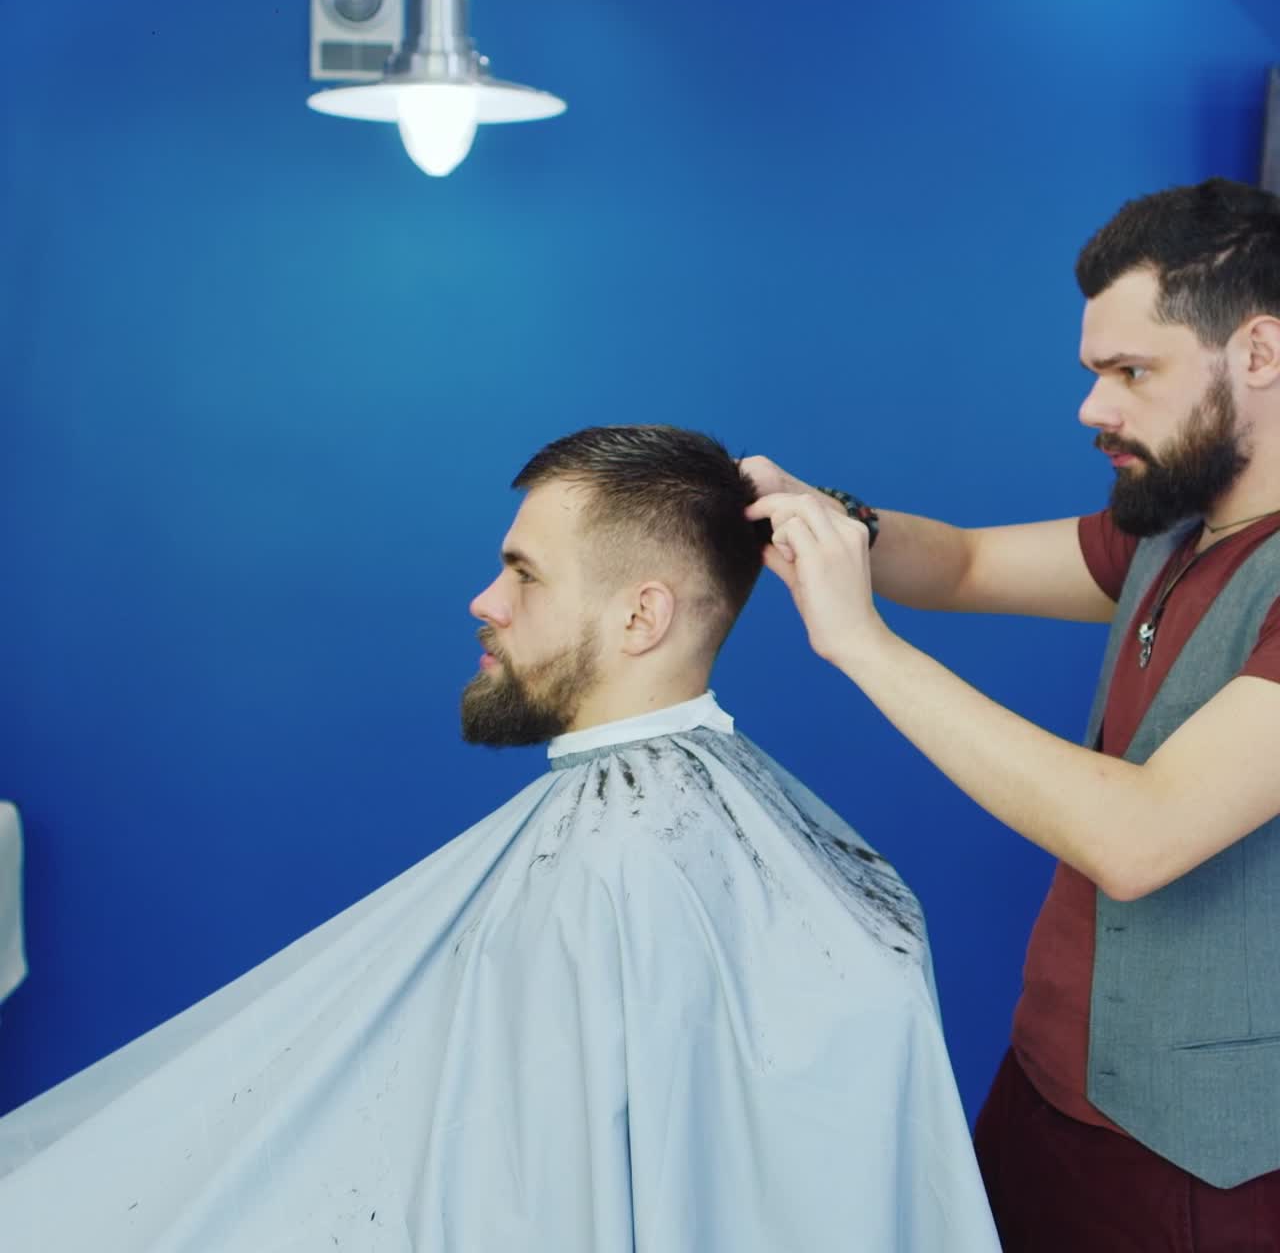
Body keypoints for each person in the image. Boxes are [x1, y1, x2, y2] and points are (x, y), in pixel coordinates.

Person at [0, 425, 999, 1252]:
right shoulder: (695, 837)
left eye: (522, 571)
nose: (485, 601)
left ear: (640, 613)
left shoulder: (627, 860)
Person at [744, 177, 1280, 1252]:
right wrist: (819, 511)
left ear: (1260, 353)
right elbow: (966, 561)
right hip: (1040, 1098)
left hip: (1200, 1167)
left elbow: (1139, 835)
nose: (1093, 408)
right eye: (1095, 372)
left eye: (1131, 372)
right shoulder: (1167, 532)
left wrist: (859, 643)